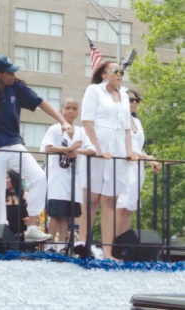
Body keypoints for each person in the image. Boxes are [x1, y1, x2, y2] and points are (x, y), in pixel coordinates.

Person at [0, 54, 73, 242]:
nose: (13, 75)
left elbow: (41, 102)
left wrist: (63, 121)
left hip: (13, 143)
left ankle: (32, 227)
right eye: (9, 72)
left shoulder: (16, 86)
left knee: (39, 177)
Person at [77, 61, 136, 260]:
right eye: (115, 71)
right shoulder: (94, 91)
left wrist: (129, 151)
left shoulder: (124, 97)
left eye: (121, 71)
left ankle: (108, 251)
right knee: (92, 199)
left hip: (117, 146)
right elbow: (87, 121)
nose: (119, 74)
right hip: (99, 143)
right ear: (104, 74)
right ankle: (84, 246)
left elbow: (127, 128)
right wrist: (97, 148)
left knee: (110, 200)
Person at [40, 98, 96, 250]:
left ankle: (62, 246)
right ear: (61, 110)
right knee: (55, 214)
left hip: (72, 179)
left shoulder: (80, 132)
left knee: (66, 215)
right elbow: (47, 147)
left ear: (78, 112)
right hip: (57, 178)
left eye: (74, 108)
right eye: (67, 108)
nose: (70, 111)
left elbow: (92, 149)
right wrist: (67, 149)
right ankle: (50, 246)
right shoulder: (54, 129)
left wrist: (77, 151)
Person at [116, 90, 160, 237]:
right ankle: (112, 243)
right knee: (120, 205)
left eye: (136, 100)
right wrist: (146, 157)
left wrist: (148, 157)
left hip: (138, 166)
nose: (134, 102)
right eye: (130, 99)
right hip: (124, 164)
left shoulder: (137, 121)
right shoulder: (118, 119)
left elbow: (138, 146)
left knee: (130, 207)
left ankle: (124, 244)